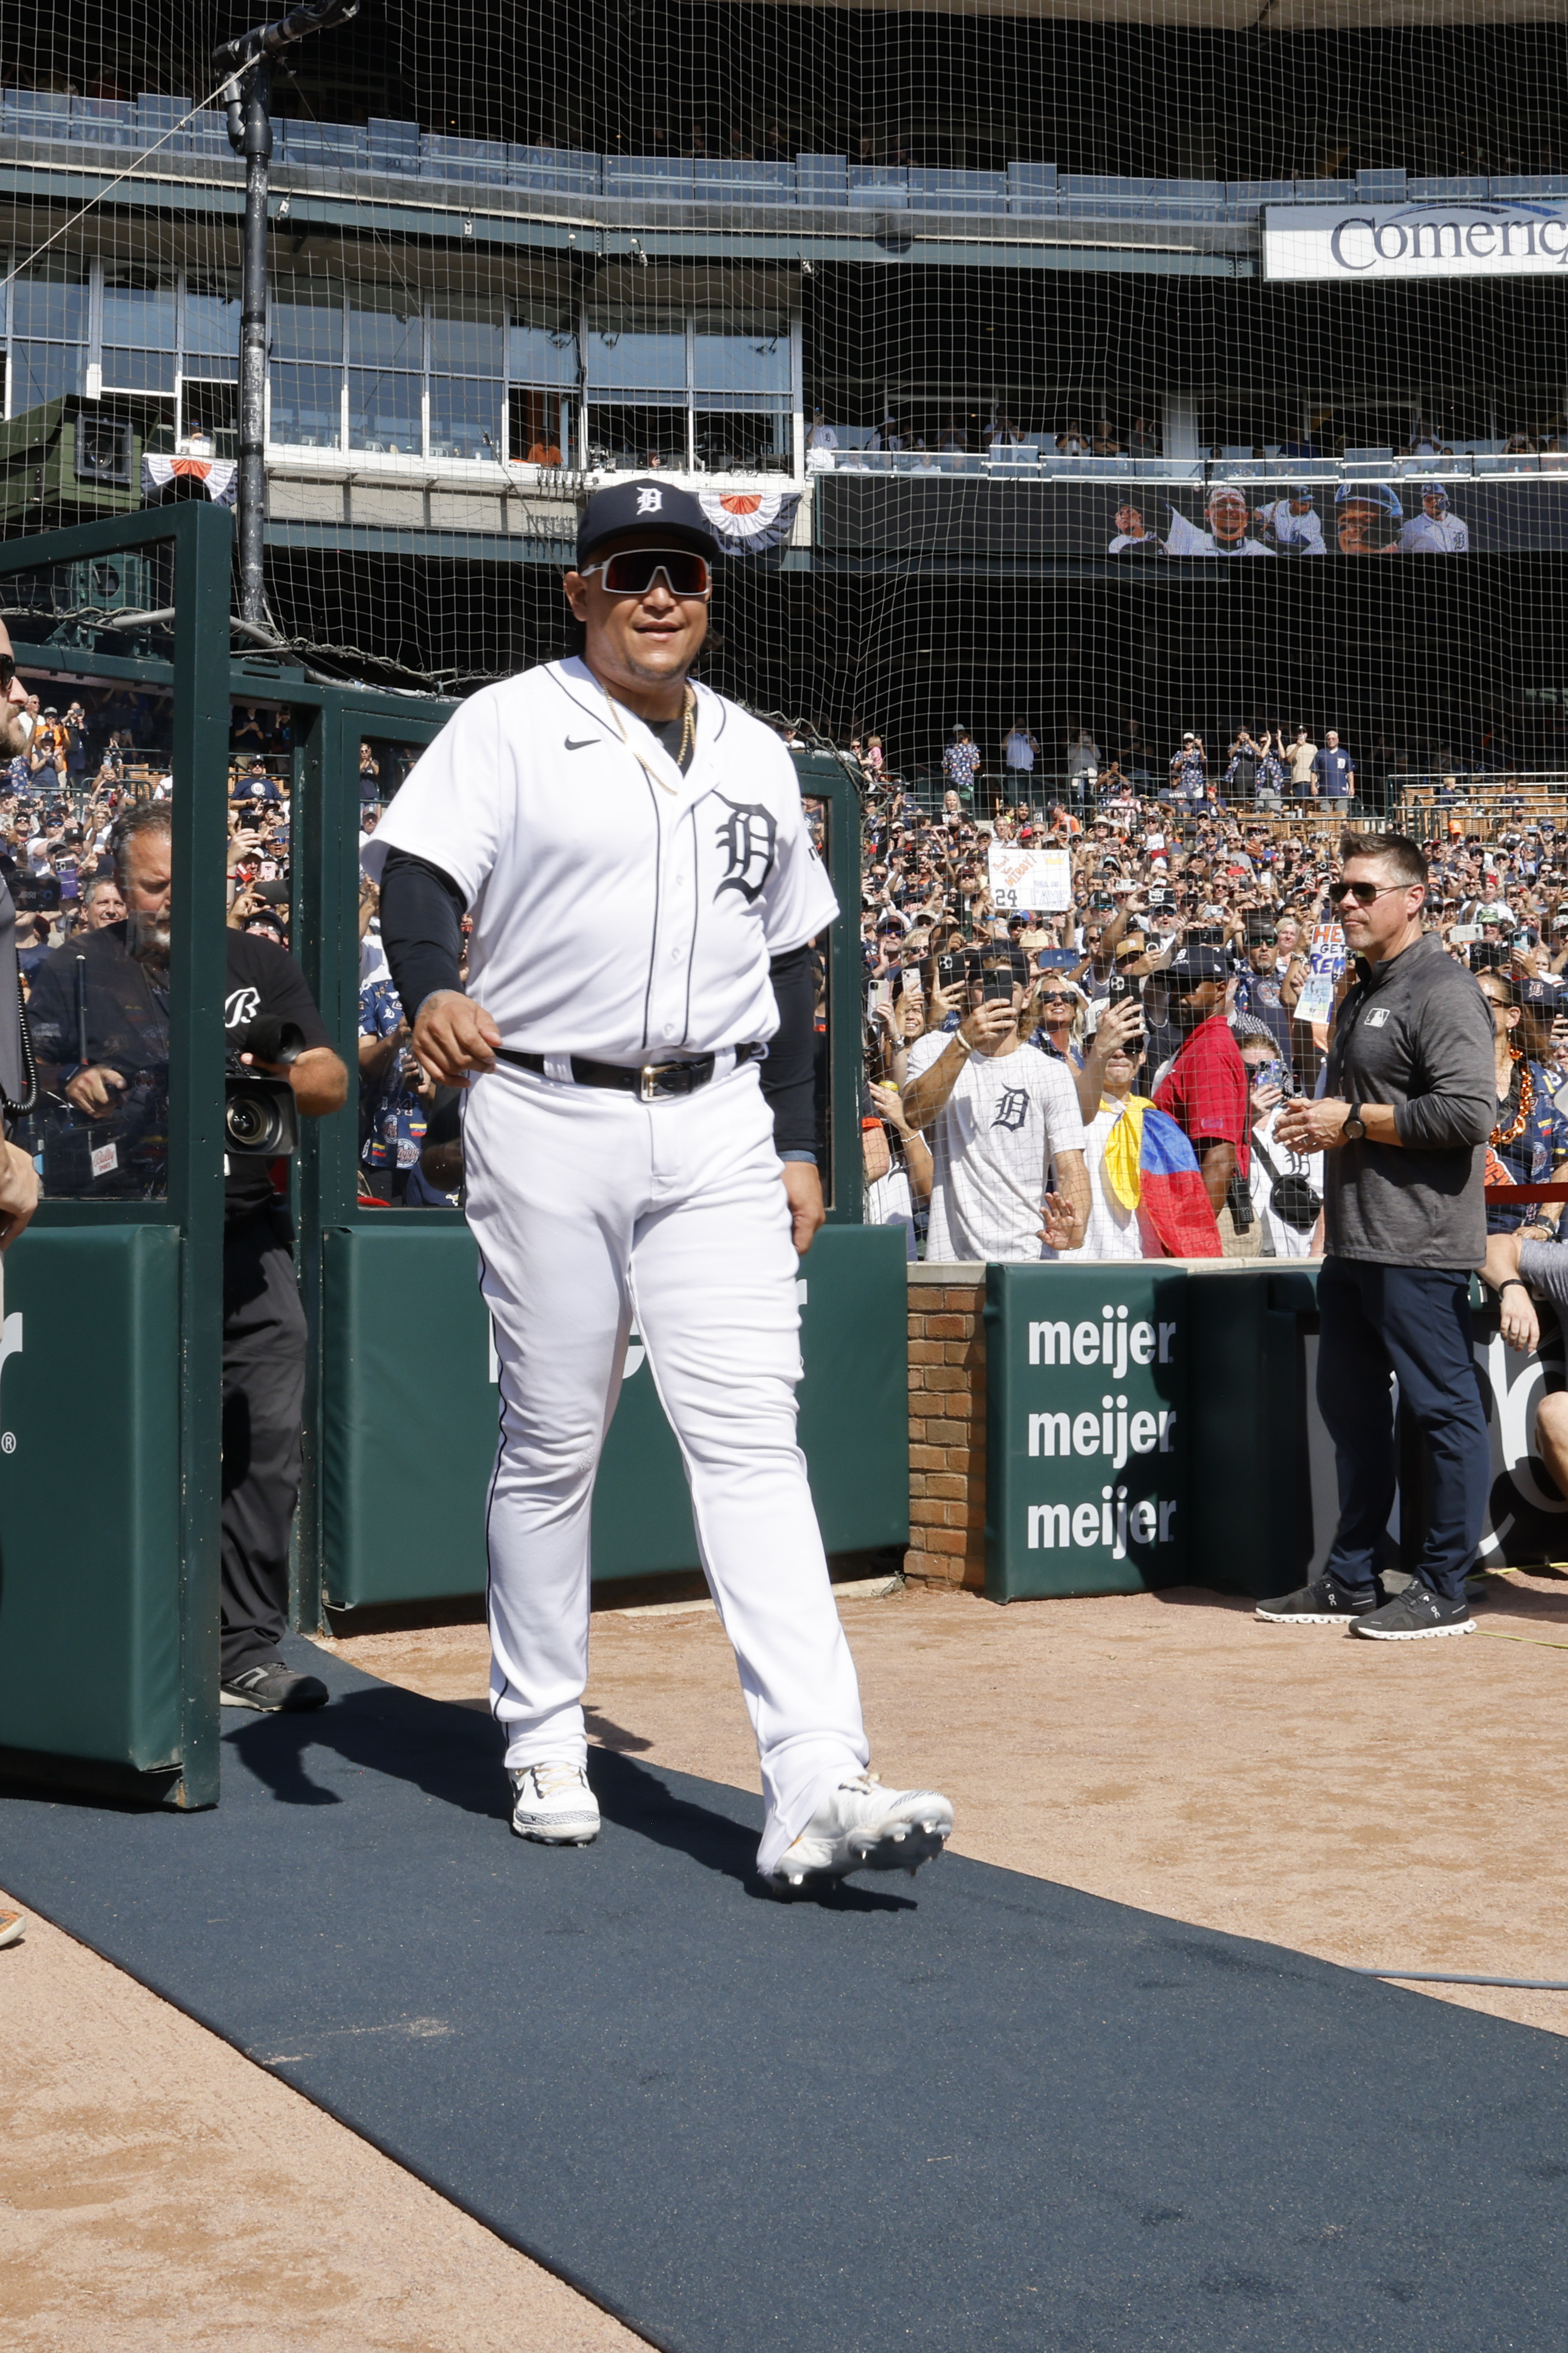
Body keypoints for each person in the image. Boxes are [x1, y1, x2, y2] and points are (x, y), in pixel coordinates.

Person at [365, 477, 953, 1891]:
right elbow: (418, 876)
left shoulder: (754, 752)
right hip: (545, 1104)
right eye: (628, 569)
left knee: (753, 1437)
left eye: (683, 572)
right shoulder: (509, 720)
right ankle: (544, 1733)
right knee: (553, 1439)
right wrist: (437, 988)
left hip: (714, 1128)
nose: (658, 595)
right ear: (577, 590)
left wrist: (803, 1140)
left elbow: (797, 960)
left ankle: (816, 1771)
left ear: (710, 593)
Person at [26, 803, 348, 1709]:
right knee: (114, 1438)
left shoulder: (257, 964)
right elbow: (36, 1084)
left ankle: (244, 1647)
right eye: (155, 884)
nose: (172, 901)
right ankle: (97, 1634)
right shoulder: (77, 968)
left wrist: (262, 1062)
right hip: (122, 1237)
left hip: (244, 1231)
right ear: (122, 887)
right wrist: (74, 1085)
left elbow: (324, 1083)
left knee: (266, 1437)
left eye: (188, 883)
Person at [1258, 830, 1495, 1639]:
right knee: (1351, 1415)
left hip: (1419, 1244)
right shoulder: (1359, 987)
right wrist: (1326, 1126)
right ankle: (1350, 1578)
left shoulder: (1443, 987)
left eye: (1363, 890)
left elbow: (1468, 1115)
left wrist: (1351, 1118)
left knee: (1441, 1412)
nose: (1346, 903)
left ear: (1412, 898)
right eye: (1341, 891)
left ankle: (1443, 1586)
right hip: (1354, 1243)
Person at [901, 958, 1089, 1262]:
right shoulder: (933, 1048)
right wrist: (963, 1043)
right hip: (951, 1257)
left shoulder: (1049, 1071)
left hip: (1029, 1253)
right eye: (982, 987)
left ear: (1026, 995)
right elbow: (913, 1115)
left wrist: (1076, 1221)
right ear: (968, 993)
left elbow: (1071, 1164)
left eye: (1009, 987)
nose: (996, 997)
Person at [1147, 944, 1250, 1217]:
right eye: (1175, 985)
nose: (1179, 995)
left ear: (1219, 989)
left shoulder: (1210, 1051)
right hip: (1194, 1207)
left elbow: (1218, 1159)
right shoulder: (1198, 1043)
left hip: (1208, 1214)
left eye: (1190, 985)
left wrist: (1196, 1240)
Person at [1477, 971, 1568, 1234]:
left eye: (1486, 1002)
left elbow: (1565, 1161)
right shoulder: (1441, 1081)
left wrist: (1544, 1224)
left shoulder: (1549, 1084)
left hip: (1526, 1236)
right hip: (1457, 1236)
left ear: (1513, 1016)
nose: (1471, 1009)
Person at [1238, 1029, 1324, 1258]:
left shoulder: (1301, 1121)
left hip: (1298, 1254)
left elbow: (1325, 1198)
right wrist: (1245, 1117)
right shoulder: (1226, 1128)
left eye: (1267, 1070)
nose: (1257, 1079)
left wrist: (1317, 1254)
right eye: (1249, 1070)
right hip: (1244, 1256)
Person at [1314, 730, 1355, 804]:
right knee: (1325, 814)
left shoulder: (1344, 754)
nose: (1331, 741)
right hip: (1325, 793)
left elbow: (1350, 773)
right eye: (1329, 739)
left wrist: (1352, 787)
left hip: (1341, 793)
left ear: (1338, 740)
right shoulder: (1321, 753)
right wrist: (1313, 786)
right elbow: (1313, 772)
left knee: (1342, 814)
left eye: (1333, 739)